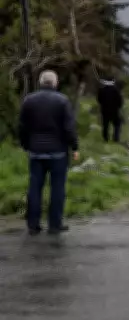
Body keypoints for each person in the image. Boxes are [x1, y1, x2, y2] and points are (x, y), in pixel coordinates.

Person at [18, 70, 79, 235]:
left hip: (36, 151)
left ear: (40, 82)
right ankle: (54, 224)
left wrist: (25, 144)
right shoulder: (62, 101)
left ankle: (33, 224)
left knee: (35, 187)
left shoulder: (29, 100)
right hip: (58, 151)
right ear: (55, 83)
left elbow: (22, 126)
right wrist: (74, 147)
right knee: (57, 188)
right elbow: (69, 127)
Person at [97, 78, 124, 143]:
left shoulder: (101, 90)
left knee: (105, 125)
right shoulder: (116, 90)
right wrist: (119, 107)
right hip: (115, 111)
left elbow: (99, 100)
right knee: (117, 124)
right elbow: (120, 101)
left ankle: (105, 138)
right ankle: (116, 138)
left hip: (104, 110)